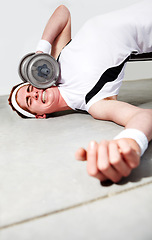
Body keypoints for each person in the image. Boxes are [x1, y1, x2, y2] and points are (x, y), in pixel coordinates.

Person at [8, 1, 152, 183]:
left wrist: (42, 50)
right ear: (39, 116)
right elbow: (144, 116)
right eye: (29, 101)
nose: (33, 94)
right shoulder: (94, 103)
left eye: (30, 89)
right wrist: (132, 141)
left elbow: (63, 12)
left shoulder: (58, 59)